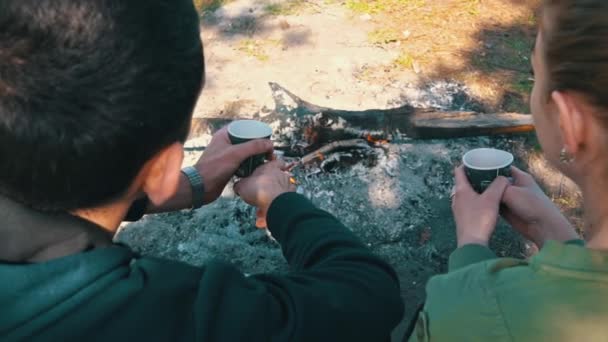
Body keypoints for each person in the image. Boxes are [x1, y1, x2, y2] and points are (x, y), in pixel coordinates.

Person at [0, 0, 404, 341]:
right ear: (161, 170)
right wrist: (282, 202)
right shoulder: (159, 316)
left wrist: (189, 184)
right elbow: (370, 295)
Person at [407, 0, 608, 340]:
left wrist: (471, 246)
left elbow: (485, 319)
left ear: (570, 121)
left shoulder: (470, 310)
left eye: (535, 76)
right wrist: (554, 232)